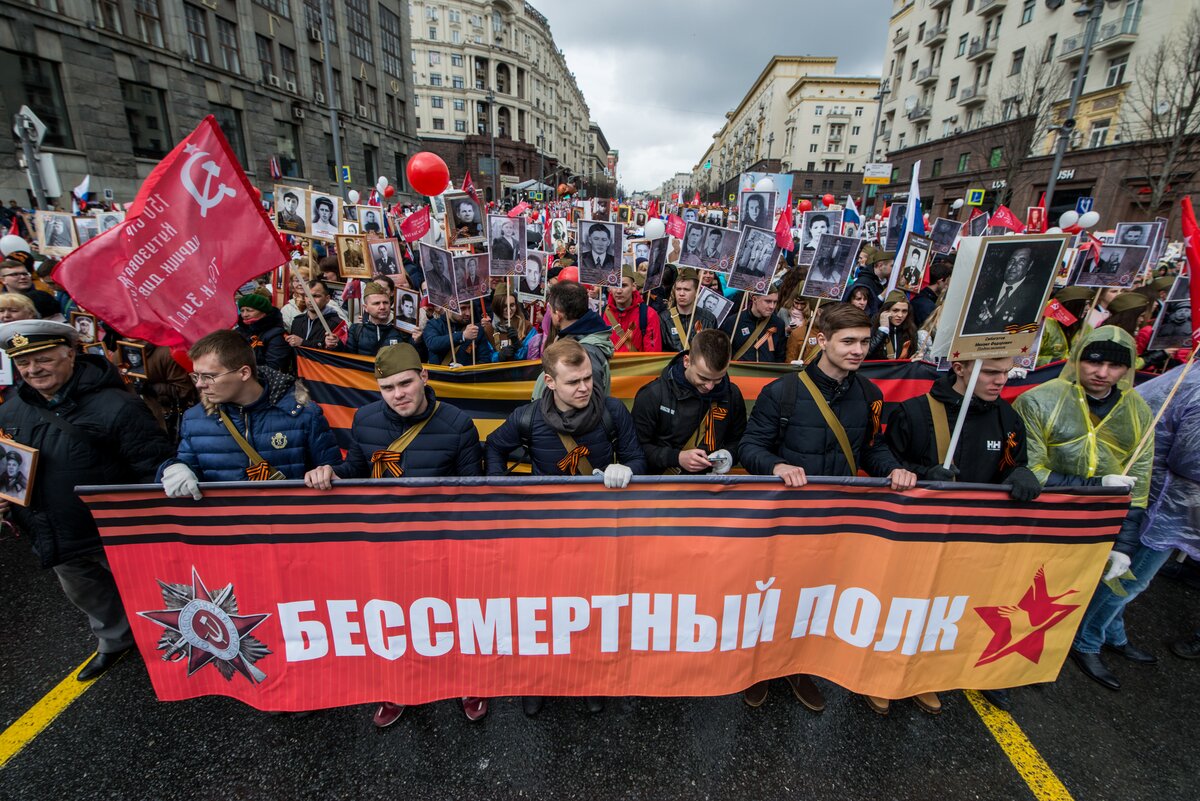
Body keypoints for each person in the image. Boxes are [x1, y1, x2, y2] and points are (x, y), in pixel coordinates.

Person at [738, 303, 918, 712]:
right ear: (822, 341)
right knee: (774, 600)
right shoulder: (781, 392)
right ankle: (758, 668)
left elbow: (872, 449)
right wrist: (778, 465)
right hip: (784, 518)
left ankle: (800, 667)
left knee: (817, 599)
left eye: (864, 341)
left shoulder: (871, 396)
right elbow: (750, 447)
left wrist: (894, 471)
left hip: (837, 520)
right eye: (848, 341)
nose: (858, 350)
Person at [303, 343, 487, 726]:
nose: (398, 394)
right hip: (383, 538)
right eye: (388, 387)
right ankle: (398, 685)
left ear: (423, 377)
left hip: (440, 539)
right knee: (392, 616)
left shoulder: (457, 424)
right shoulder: (365, 419)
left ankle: (468, 681)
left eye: (405, 383)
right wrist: (329, 474)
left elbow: (473, 489)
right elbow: (354, 467)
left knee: (451, 613)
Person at [0, 320, 173, 681]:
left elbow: (151, 466)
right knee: (87, 592)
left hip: (115, 528)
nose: (33, 370)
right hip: (55, 526)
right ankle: (114, 640)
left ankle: (175, 644)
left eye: (43, 359)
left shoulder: (118, 406)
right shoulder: (12, 409)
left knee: (153, 591)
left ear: (71, 354)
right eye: (23, 364)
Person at [484, 338, 646, 715]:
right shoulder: (526, 418)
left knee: (592, 608)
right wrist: (503, 491)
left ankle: (588, 678)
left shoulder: (613, 411)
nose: (584, 387)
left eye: (588, 378)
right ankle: (539, 678)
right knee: (542, 609)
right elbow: (494, 447)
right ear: (550, 382)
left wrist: (629, 470)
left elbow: (638, 457)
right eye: (573, 381)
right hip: (543, 533)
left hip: (598, 531)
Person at [884, 356, 1044, 711]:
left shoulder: (1008, 417)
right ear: (960, 368)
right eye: (990, 371)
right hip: (917, 533)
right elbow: (885, 462)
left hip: (972, 537)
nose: (1000, 380)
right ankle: (883, 674)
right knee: (904, 606)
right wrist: (925, 474)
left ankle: (924, 676)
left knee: (950, 610)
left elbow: (1012, 463)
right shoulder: (915, 412)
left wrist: (1018, 474)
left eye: (1005, 372)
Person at [1013, 327, 1154, 691]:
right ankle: (1002, 663)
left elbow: (1139, 480)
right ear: (1077, 360)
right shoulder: (1039, 400)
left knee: (1068, 596)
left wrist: (1124, 544)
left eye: (1113, 365)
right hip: (1041, 519)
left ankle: (1038, 660)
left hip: (1094, 526)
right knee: (1019, 595)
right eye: (1094, 360)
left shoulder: (1138, 411)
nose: (1102, 372)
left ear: (1126, 370)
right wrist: (1097, 486)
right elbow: (1032, 470)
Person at [161, 330, 341, 491]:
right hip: (227, 524)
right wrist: (174, 468)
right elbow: (187, 469)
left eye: (209, 376)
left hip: (288, 522)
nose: (200, 384)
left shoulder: (303, 414)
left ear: (244, 373)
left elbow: (334, 473)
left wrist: (325, 472)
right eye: (196, 376)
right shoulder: (195, 419)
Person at [632, 329, 746, 474]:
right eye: (703, 378)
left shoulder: (732, 395)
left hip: (710, 485)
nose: (710, 386)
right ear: (687, 361)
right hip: (662, 484)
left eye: (718, 379)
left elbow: (740, 441)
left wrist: (729, 455)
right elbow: (635, 449)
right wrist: (676, 458)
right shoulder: (653, 394)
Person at [533, 280, 613, 399]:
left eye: (550, 309)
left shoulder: (587, 353)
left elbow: (587, 404)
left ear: (558, 314)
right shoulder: (573, 340)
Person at [337, 282, 414, 357]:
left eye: (385, 302)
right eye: (376, 303)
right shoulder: (356, 330)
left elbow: (414, 359)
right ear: (365, 308)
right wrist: (336, 345)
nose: (382, 307)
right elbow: (347, 359)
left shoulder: (402, 329)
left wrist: (417, 341)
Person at [604, 265, 662, 353]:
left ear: (633, 286)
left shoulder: (648, 314)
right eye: (615, 285)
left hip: (637, 366)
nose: (619, 291)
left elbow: (652, 356)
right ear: (609, 288)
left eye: (624, 285)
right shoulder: (602, 313)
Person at [661, 267, 718, 352]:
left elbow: (712, 353)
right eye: (678, 289)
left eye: (687, 290)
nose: (681, 293)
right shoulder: (663, 318)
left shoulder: (709, 319)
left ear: (696, 292)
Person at [722, 289, 787, 363]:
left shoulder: (778, 323)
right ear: (754, 299)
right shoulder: (734, 321)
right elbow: (724, 353)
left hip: (768, 373)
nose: (772, 306)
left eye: (775, 302)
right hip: (740, 373)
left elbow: (780, 355)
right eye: (768, 301)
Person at [234, 293, 292, 372]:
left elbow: (274, 367)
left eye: (249, 310)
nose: (244, 315)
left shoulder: (276, 335)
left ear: (263, 312)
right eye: (242, 311)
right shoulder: (238, 331)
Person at [425, 301, 496, 366]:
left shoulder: (476, 329)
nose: (468, 313)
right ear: (449, 308)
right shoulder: (434, 324)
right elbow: (433, 344)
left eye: (469, 307)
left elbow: (485, 360)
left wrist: (465, 369)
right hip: (440, 377)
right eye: (463, 308)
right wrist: (462, 336)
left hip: (467, 378)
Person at [286, 280, 347, 350]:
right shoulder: (297, 321)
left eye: (316, 296)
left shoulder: (337, 324)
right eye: (307, 296)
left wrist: (336, 344)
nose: (310, 300)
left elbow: (342, 351)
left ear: (327, 299)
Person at [867, 291, 919, 360]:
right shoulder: (873, 326)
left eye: (904, 311)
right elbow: (866, 353)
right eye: (895, 310)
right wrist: (882, 330)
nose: (900, 315)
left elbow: (911, 353)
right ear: (886, 311)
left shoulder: (911, 329)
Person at [844, 247, 892, 318]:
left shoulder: (885, 281)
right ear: (880, 265)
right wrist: (882, 295)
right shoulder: (863, 282)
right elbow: (869, 309)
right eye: (892, 266)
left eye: (865, 299)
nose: (862, 302)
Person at [911, 258, 952, 327]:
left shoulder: (919, 294)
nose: (948, 285)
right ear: (940, 281)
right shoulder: (928, 305)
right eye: (947, 282)